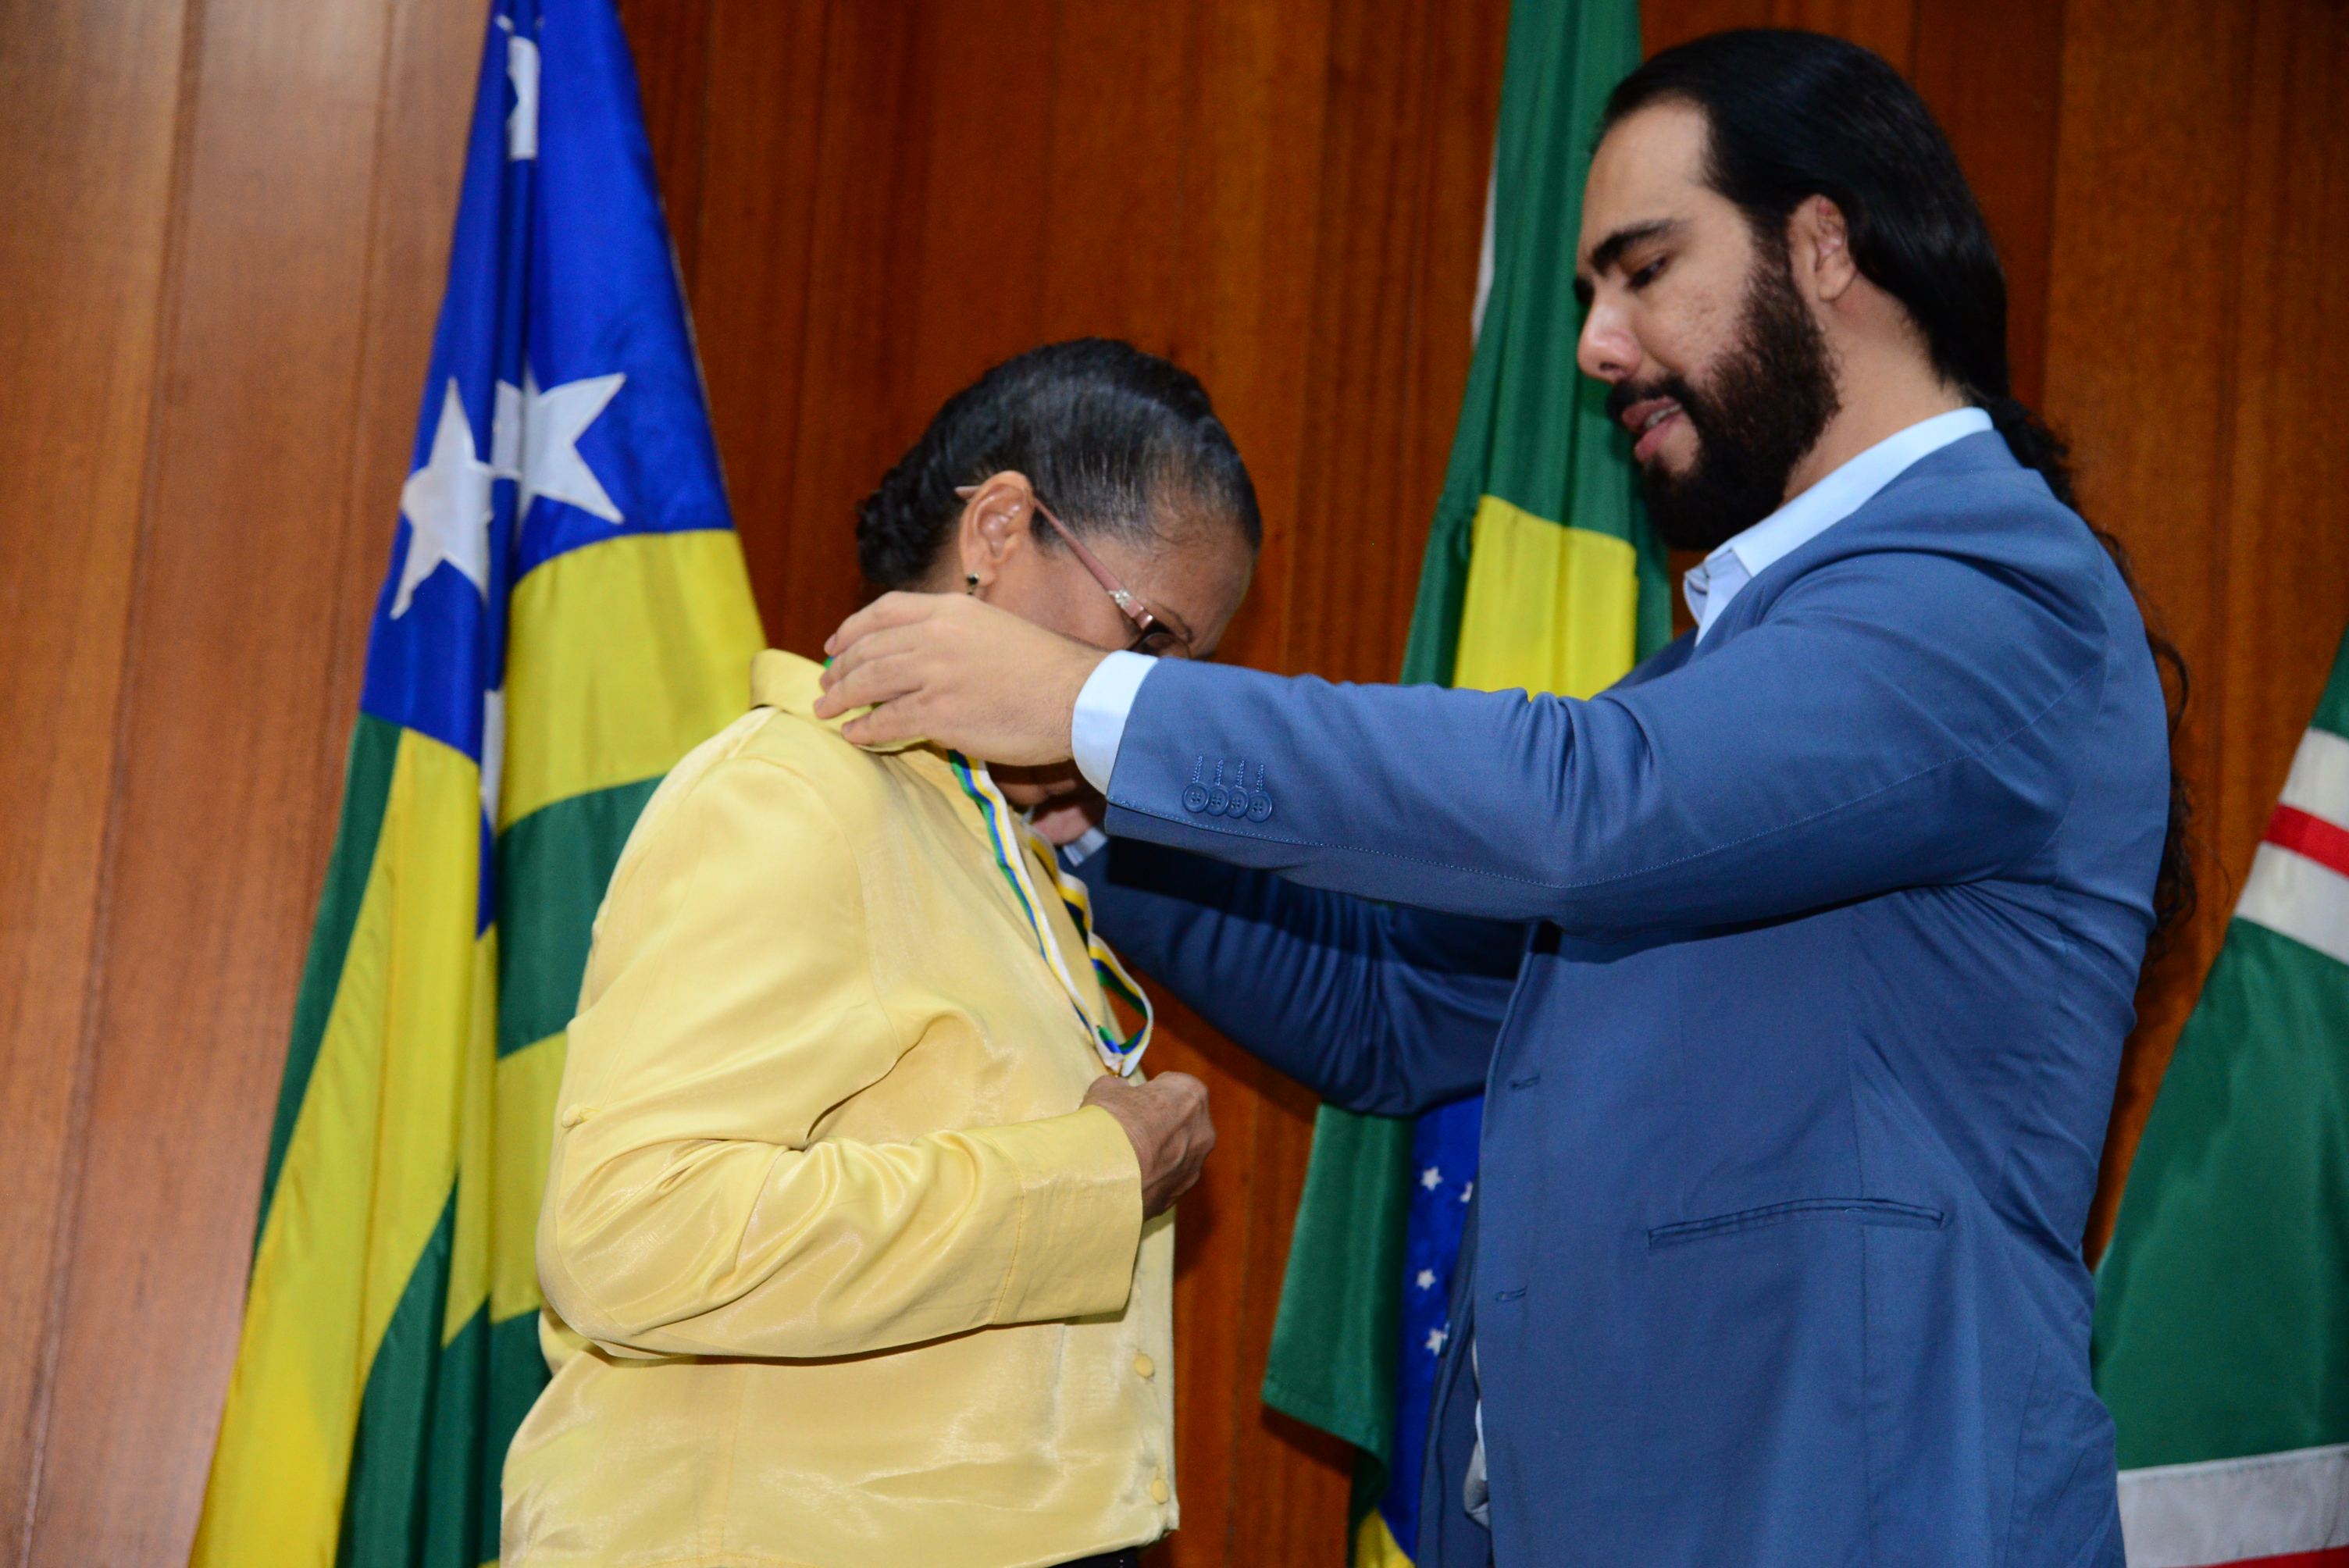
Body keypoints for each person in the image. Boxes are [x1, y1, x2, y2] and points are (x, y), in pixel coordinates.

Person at [812, 31, 2188, 1568]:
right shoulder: (1729, 665)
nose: (1596, 345)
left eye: (1644, 270)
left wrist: (1092, 700)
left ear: (1822, 246)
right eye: (1592, 293)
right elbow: (1393, 1013)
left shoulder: (1992, 589)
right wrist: (1090, 819)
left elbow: (1598, 808)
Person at [501, 339, 1253, 1568]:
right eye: (1150, 637)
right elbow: (629, 1237)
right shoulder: (796, 791)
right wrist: (1092, 1174)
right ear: (998, 531)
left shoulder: (998, 857)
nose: (1152, 703)